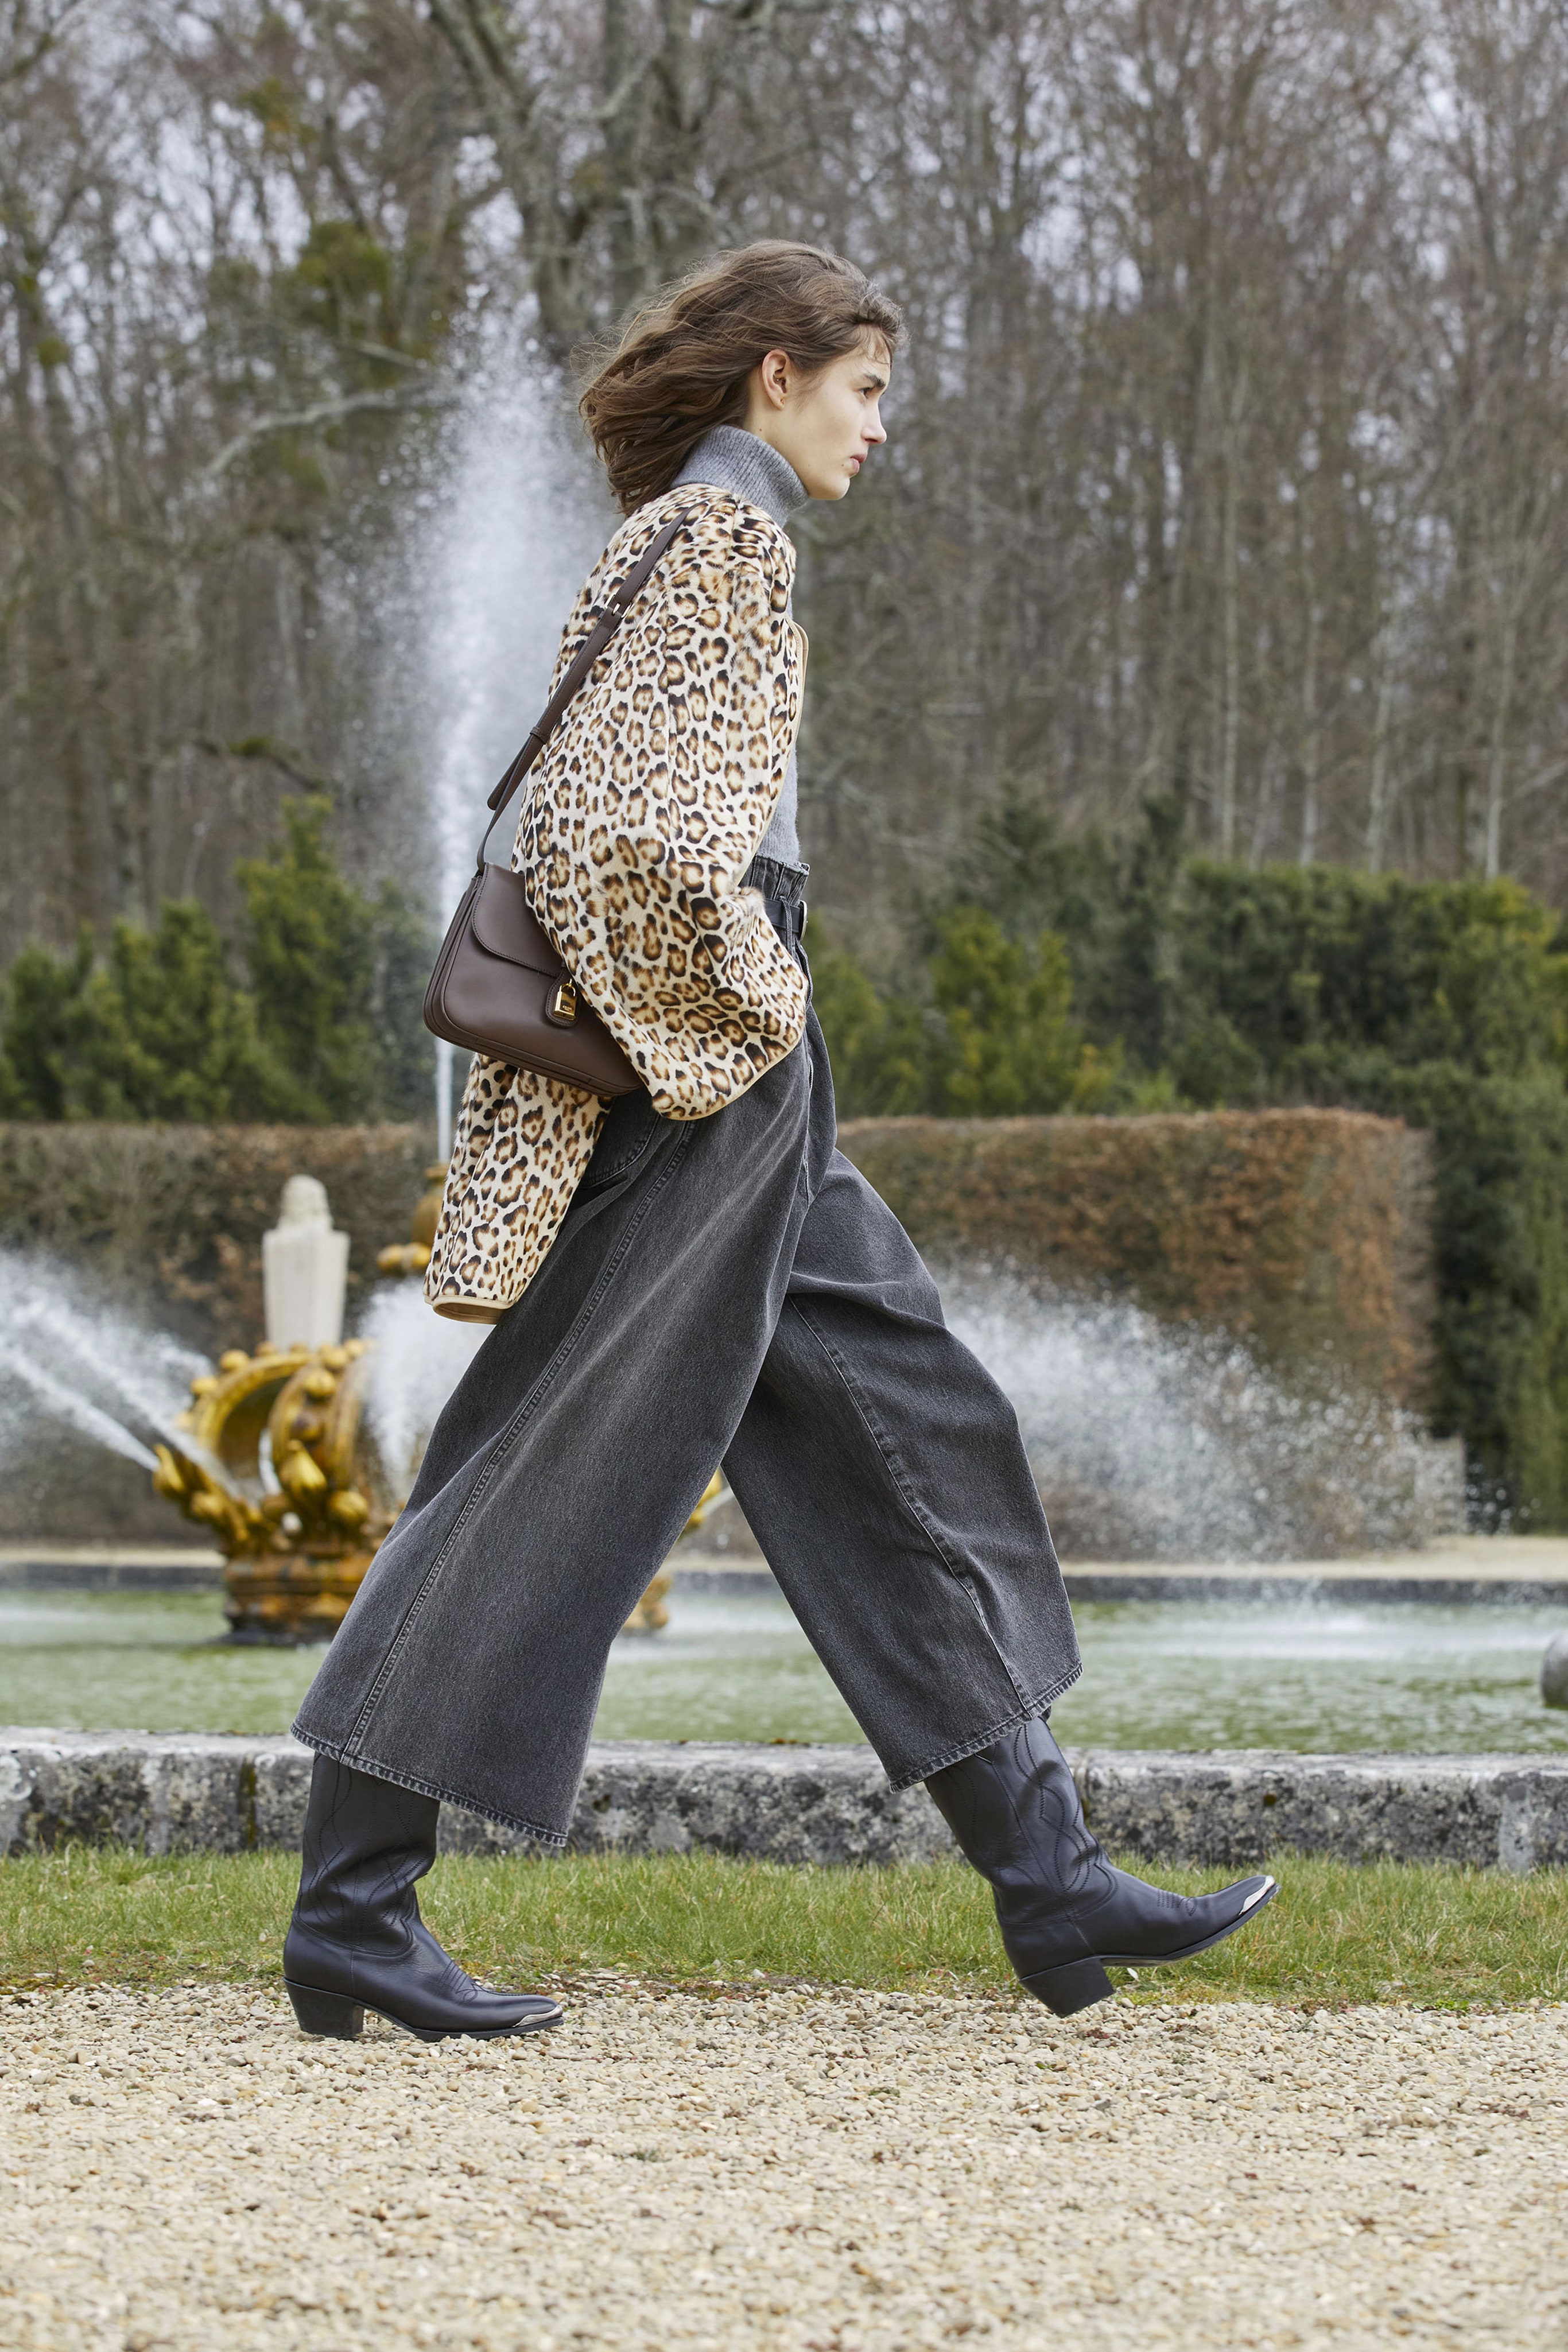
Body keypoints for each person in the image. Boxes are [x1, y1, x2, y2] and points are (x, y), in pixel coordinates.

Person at [282, 240, 1276, 2044]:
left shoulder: (685, 536)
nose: (878, 427)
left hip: (723, 1071)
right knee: (546, 1465)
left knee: (896, 1413)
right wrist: (755, 1013)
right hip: (706, 1073)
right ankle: (351, 1908)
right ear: (776, 375)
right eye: (865, 389)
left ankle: (1048, 1870)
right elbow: (619, 847)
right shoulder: (723, 543)